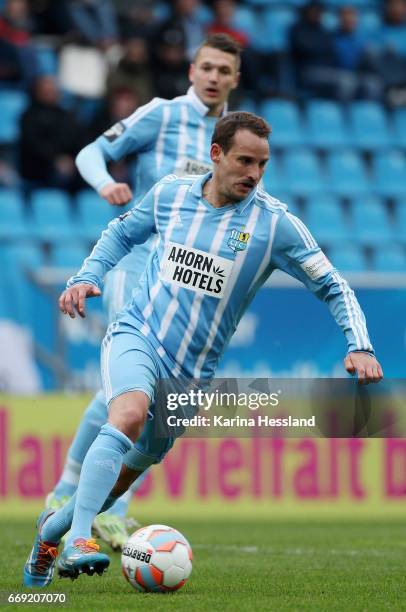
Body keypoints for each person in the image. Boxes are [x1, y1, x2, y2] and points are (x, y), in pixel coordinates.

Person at [23, 110, 383, 587]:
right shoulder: (172, 193)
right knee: (126, 414)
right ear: (216, 155)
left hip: (189, 378)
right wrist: (88, 276)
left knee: (117, 482)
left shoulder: (275, 226)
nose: (253, 174)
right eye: (244, 160)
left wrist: (360, 344)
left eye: (263, 164)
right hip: (138, 334)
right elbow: (122, 232)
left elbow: (334, 285)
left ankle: (51, 532)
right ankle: (79, 540)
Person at [44, 33, 241, 552]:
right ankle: (109, 507)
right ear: (192, 71)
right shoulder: (162, 114)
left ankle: (68, 490)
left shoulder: (235, 135)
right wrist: (105, 183)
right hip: (139, 260)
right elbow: (92, 152)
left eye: (225, 69)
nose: (214, 77)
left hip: (189, 271)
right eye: (207, 67)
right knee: (134, 391)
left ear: (234, 79)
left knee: (153, 396)